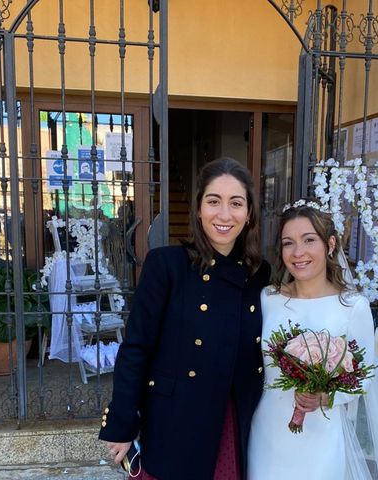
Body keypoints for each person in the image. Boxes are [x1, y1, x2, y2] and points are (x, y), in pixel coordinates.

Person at [100, 157, 271, 480]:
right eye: (213, 201)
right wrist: (122, 422)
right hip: (176, 419)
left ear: (249, 214)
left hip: (233, 422)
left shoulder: (259, 273)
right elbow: (136, 347)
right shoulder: (167, 265)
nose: (224, 214)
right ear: (198, 209)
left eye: (236, 203)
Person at [248, 199, 378, 479]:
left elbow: (365, 377)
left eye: (308, 240)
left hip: (321, 437)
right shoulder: (269, 299)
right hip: (267, 432)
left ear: (329, 245)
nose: (298, 252)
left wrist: (327, 396)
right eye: (288, 242)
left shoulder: (353, 306)